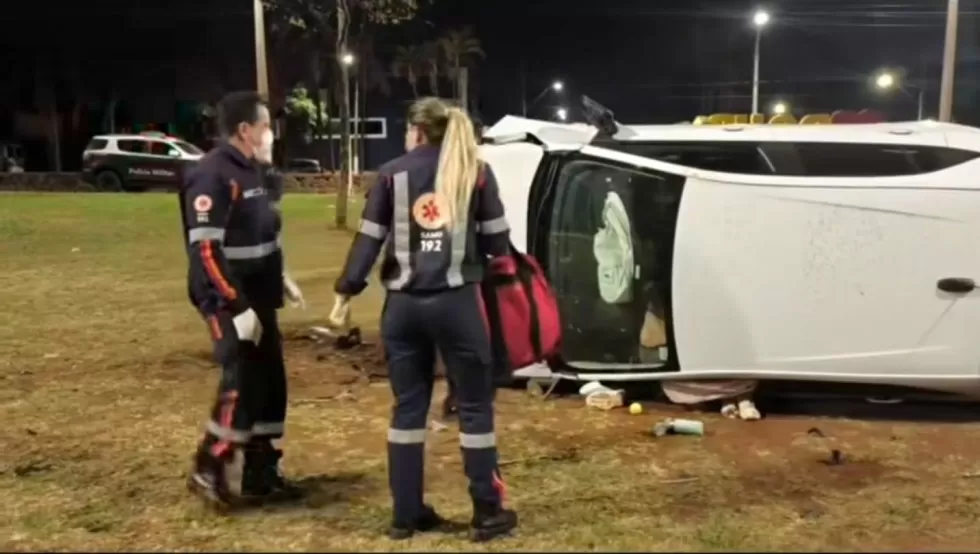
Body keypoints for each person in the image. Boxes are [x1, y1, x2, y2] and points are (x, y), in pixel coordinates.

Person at [329, 97, 518, 542]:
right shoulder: (475, 171)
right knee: (473, 407)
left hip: (403, 309)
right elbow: (498, 243)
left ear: (415, 131)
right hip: (457, 305)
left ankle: (405, 514)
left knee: (408, 408)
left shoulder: (391, 174)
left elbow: (367, 241)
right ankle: (487, 513)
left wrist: (346, 290)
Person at [181, 90, 303, 511]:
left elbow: (264, 231)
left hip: (260, 292)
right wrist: (236, 306)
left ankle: (261, 469)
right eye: (267, 125)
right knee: (242, 377)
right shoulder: (212, 175)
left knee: (270, 379)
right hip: (227, 295)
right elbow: (207, 252)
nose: (273, 133)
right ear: (245, 130)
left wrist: (281, 277)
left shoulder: (256, 172)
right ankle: (209, 465)